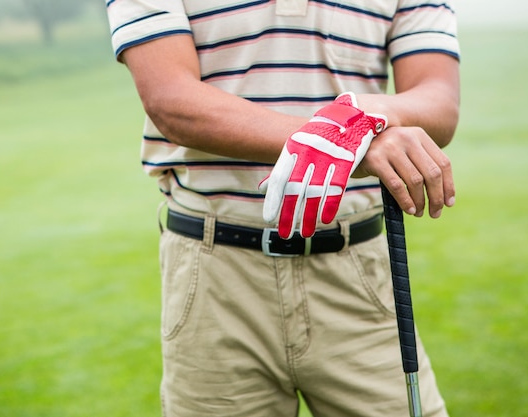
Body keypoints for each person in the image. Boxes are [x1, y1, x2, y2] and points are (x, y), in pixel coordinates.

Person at [105, 1, 460, 416]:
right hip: (217, 279)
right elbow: (171, 100)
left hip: (358, 270)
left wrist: (364, 120)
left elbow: (439, 100)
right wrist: (336, 140)